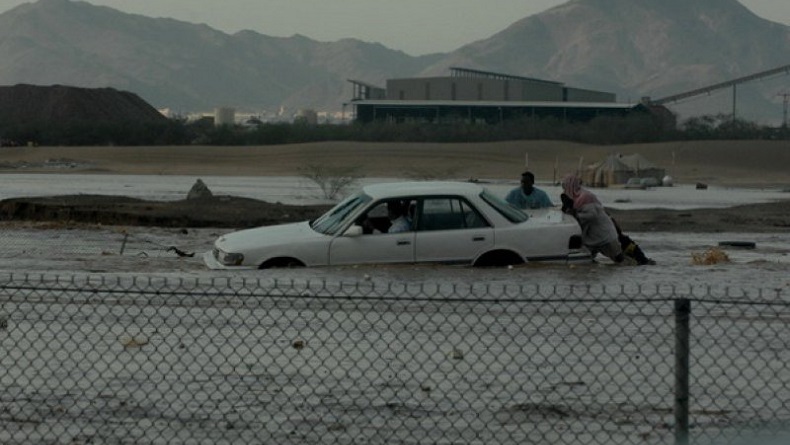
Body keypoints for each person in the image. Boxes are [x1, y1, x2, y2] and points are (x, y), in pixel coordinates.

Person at [560, 174, 625, 264]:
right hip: (589, 237)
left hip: (604, 235)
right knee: (586, 263)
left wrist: (577, 216)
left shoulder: (586, 197)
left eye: (565, 186)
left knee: (619, 261)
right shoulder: (572, 199)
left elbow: (592, 215)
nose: (564, 189)